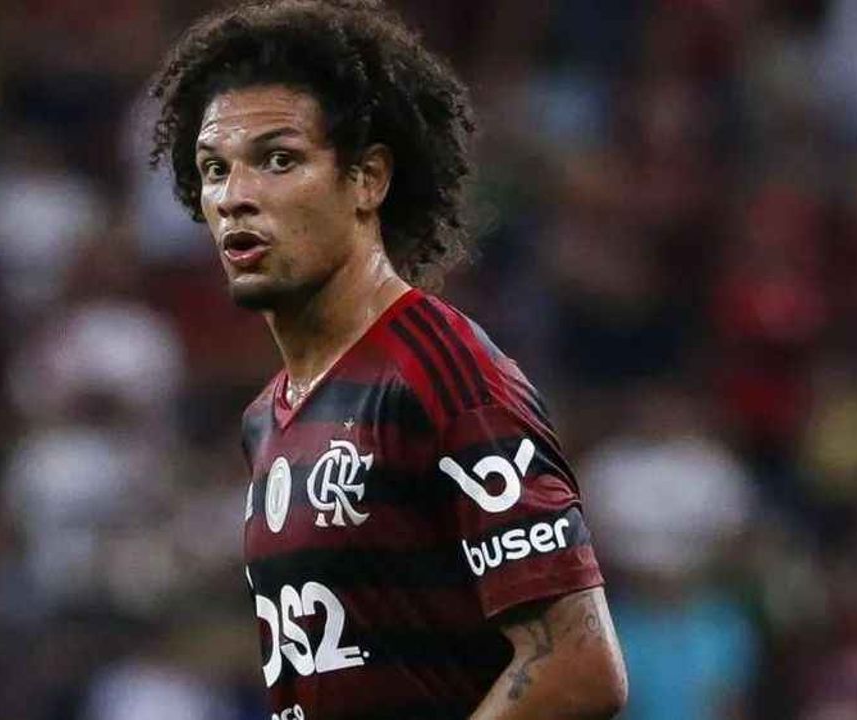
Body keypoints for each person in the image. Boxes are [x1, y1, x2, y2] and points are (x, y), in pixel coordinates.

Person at [149, 1, 628, 717]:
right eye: (215, 169)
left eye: (279, 160)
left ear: (367, 179)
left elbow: (579, 663)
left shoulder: (441, 369)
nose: (236, 197)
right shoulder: (267, 417)